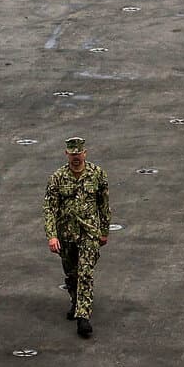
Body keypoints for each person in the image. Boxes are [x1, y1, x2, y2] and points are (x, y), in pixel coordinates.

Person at [44, 135, 110, 340]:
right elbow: (50, 208)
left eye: (79, 153)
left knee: (85, 273)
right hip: (66, 235)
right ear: (67, 154)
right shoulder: (58, 178)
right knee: (72, 273)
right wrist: (52, 235)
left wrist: (104, 231)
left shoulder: (97, 174)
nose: (76, 157)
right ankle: (76, 300)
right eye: (72, 154)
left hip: (89, 232)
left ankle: (83, 317)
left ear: (85, 153)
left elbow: (104, 204)